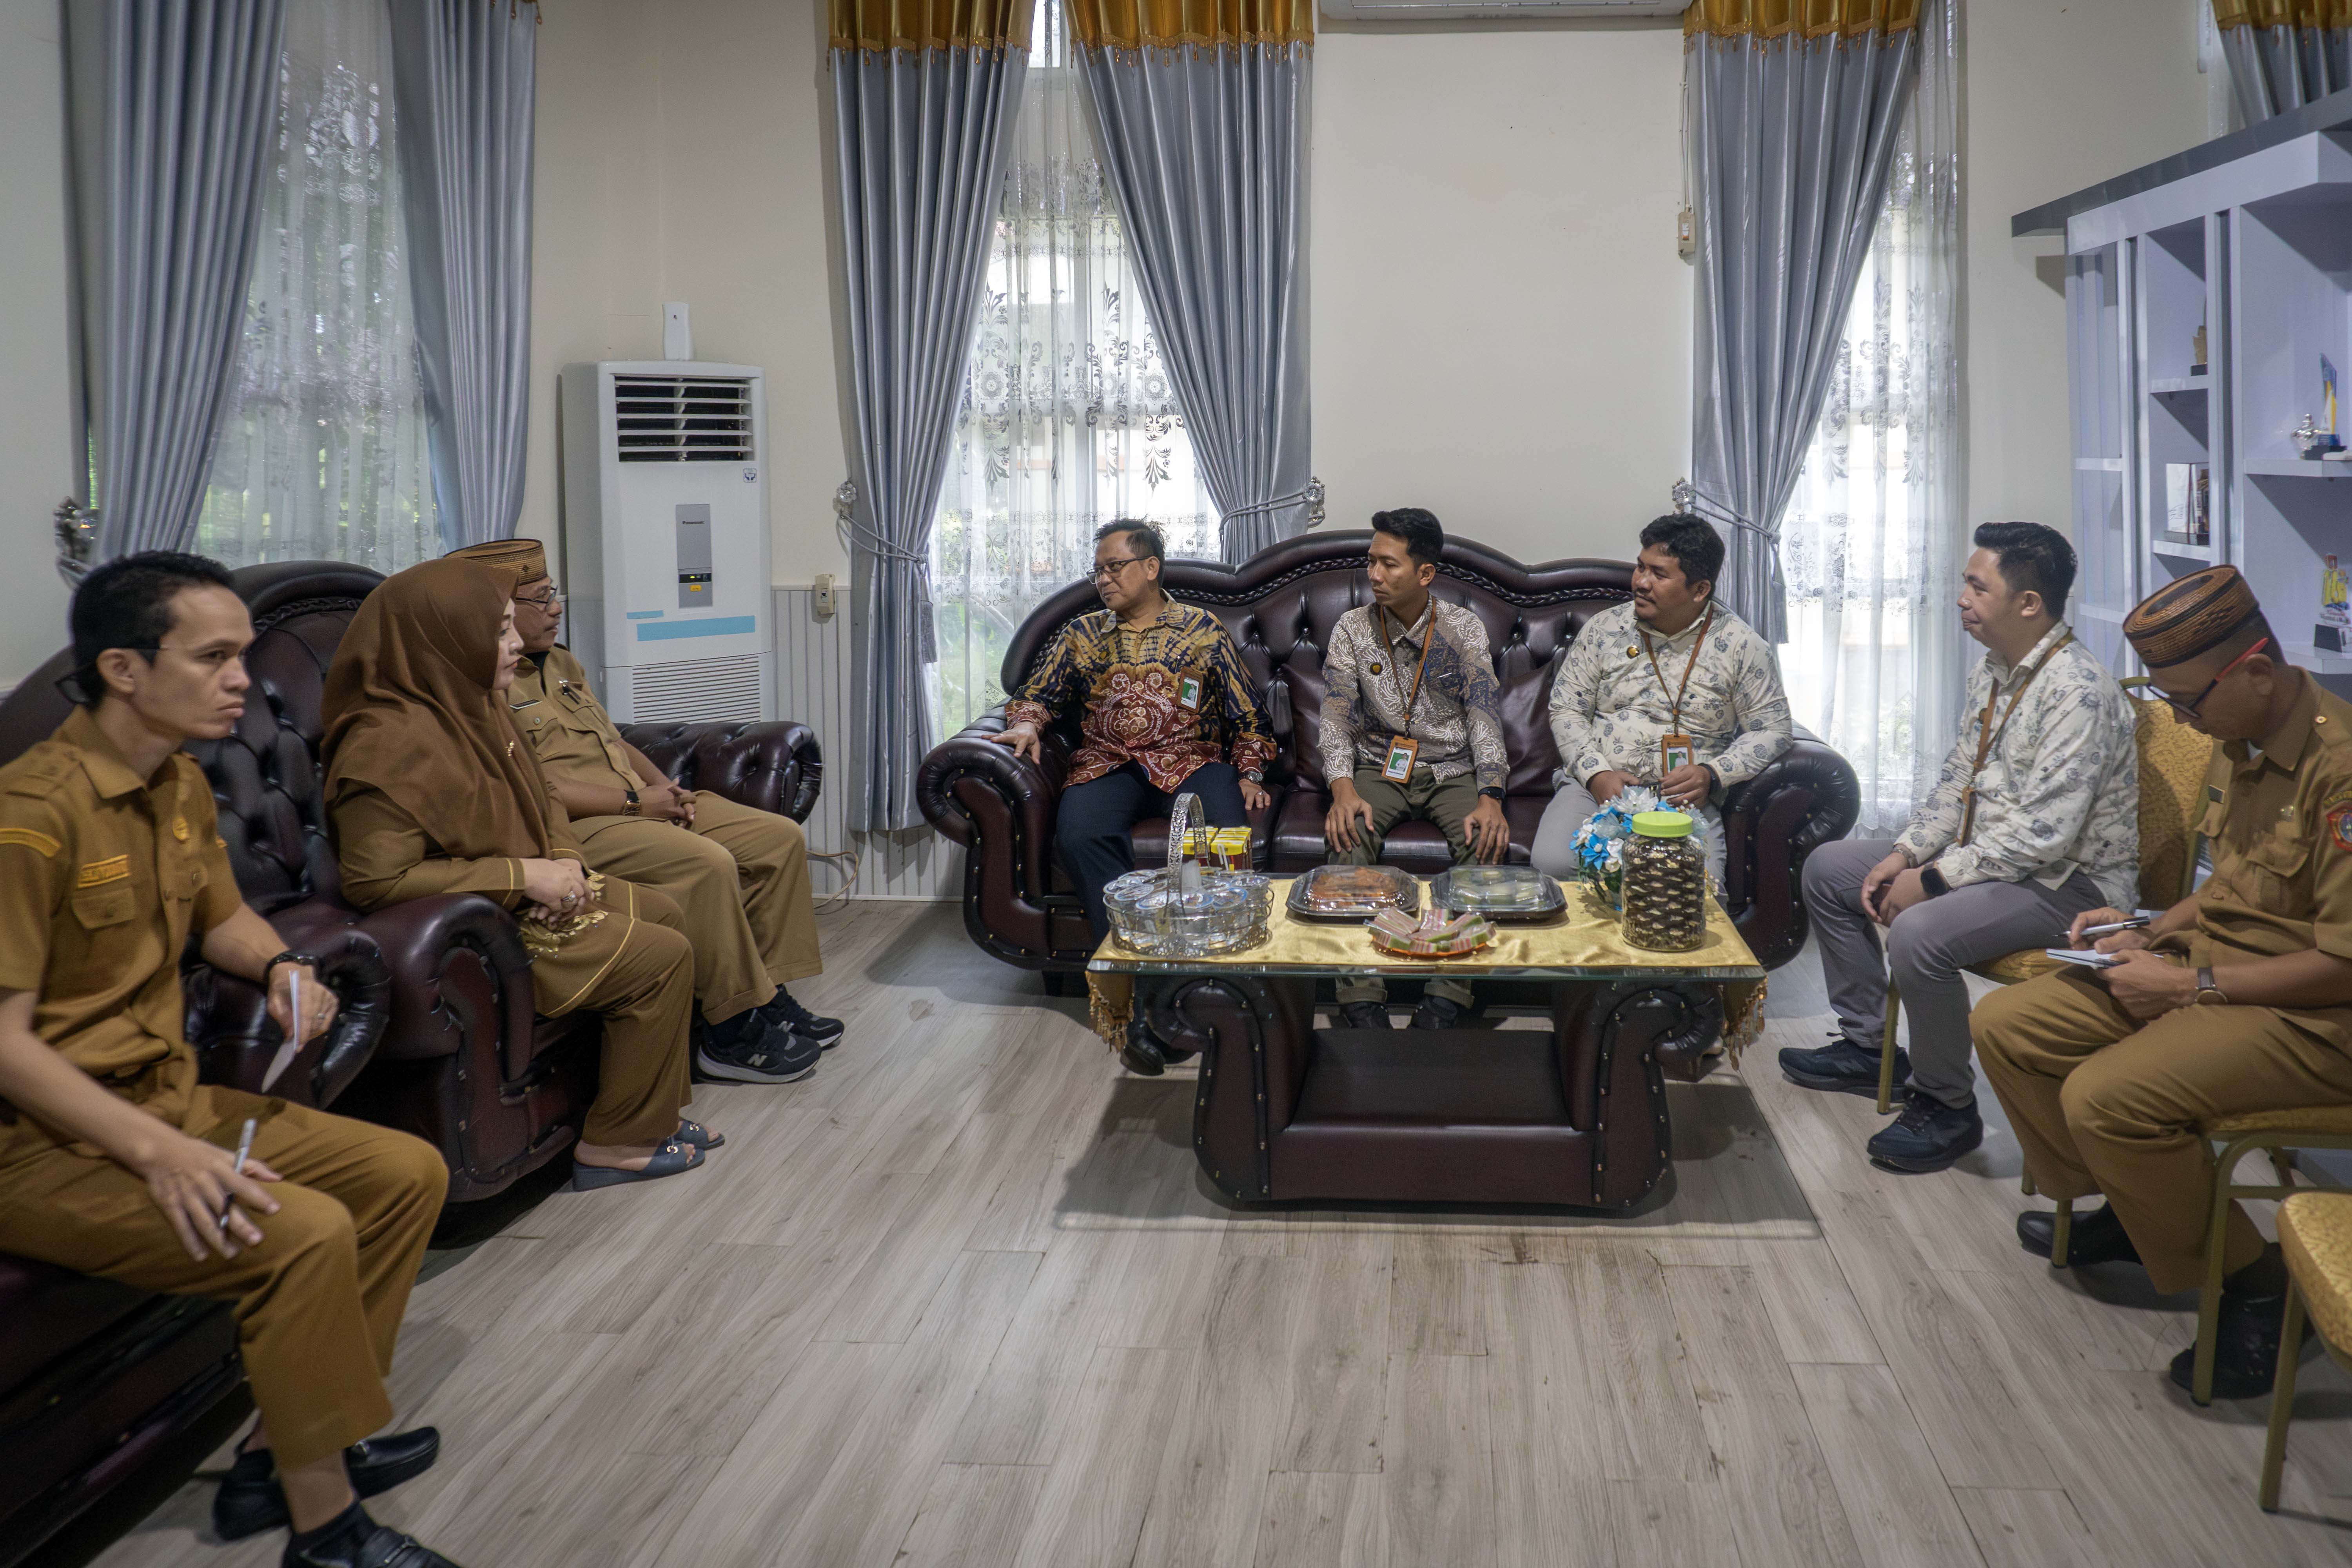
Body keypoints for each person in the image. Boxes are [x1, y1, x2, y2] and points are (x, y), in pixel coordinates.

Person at [0, 552, 461, 1568]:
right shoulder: (29, 816)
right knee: (304, 1232)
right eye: (212, 658)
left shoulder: (174, 780)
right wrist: (161, 1155)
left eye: (242, 656)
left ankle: (276, 1452)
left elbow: (221, 920)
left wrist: (286, 966)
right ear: (123, 668)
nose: (241, 681)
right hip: (45, 1147)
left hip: (169, 1099)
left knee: (405, 1173)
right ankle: (326, 1532)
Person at [1976, 565, 2352, 1399]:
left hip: (2315, 1017)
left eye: (2187, 701)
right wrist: (2149, 928)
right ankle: (2142, 1210)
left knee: (2107, 1098)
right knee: (2010, 1027)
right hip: (2219, 968)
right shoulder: (2242, 735)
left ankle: (2261, 1285)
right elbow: (2239, 883)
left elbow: (2342, 963)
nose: (2181, 720)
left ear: (2257, 671)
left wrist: (2190, 989)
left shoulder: (2341, 770)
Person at [324, 557, 717, 1190]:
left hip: (531, 890)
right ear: (446, 640)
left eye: (512, 626)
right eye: (499, 630)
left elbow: (545, 798)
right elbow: (378, 883)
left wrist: (565, 860)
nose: (515, 644)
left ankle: (653, 1114)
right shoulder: (383, 743)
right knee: (659, 957)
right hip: (487, 921)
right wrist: (523, 877)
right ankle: (615, 1145)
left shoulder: (477, 704)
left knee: (666, 913)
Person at [1780, 522, 2138, 1173]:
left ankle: (1947, 1104)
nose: (1961, 598)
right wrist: (1905, 855)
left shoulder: (2079, 692)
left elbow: (2045, 835)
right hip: (1999, 864)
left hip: (2070, 887)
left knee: (1920, 932)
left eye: (1978, 586)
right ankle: (1869, 1046)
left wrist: (1934, 881)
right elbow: (1958, 783)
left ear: (2028, 603)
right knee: (1829, 868)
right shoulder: (1995, 672)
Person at [445, 538, 838, 1086]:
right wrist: (635, 804)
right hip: (581, 825)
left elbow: (613, 739)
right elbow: (534, 787)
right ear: (495, 615)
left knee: (776, 838)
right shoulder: (484, 682)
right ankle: (729, 1031)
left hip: (636, 801)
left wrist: (664, 788)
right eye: (539, 600)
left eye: (554, 594)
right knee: (706, 863)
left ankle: (765, 995)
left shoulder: (562, 662)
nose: (556, 608)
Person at [993, 521, 1274, 1073]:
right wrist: (1027, 723)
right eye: (1097, 570)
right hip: (1109, 763)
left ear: (1150, 568)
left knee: (1222, 840)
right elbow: (1035, 696)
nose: (1103, 579)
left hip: (1193, 762)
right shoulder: (1080, 634)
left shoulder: (1202, 630)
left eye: (1114, 567)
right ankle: (1147, 1001)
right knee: (1080, 835)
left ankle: (1213, 991)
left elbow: (1248, 715)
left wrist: (1250, 772)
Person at [1319, 508, 1511, 1029]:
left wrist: (1491, 794)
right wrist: (1342, 789)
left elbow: (1484, 713)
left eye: (1389, 564)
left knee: (1484, 843)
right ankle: (1360, 997)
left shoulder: (1462, 628)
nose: (1374, 575)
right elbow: (1336, 715)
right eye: (1371, 562)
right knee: (1348, 837)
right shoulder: (1352, 628)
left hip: (1452, 768)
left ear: (1425, 573)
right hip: (1379, 768)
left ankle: (1447, 997)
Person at [1532, 511, 1792, 887]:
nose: (1641, 582)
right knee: (1553, 863)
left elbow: (1774, 730)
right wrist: (1596, 774)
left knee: (1697, 886)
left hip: (1682, 801)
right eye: (1641, 567)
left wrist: (1713, 775)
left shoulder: (1742, 646)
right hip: (1599, 789)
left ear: (1700, 590)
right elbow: (1566, 708)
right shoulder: (1605, 630)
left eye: (1659, 574)